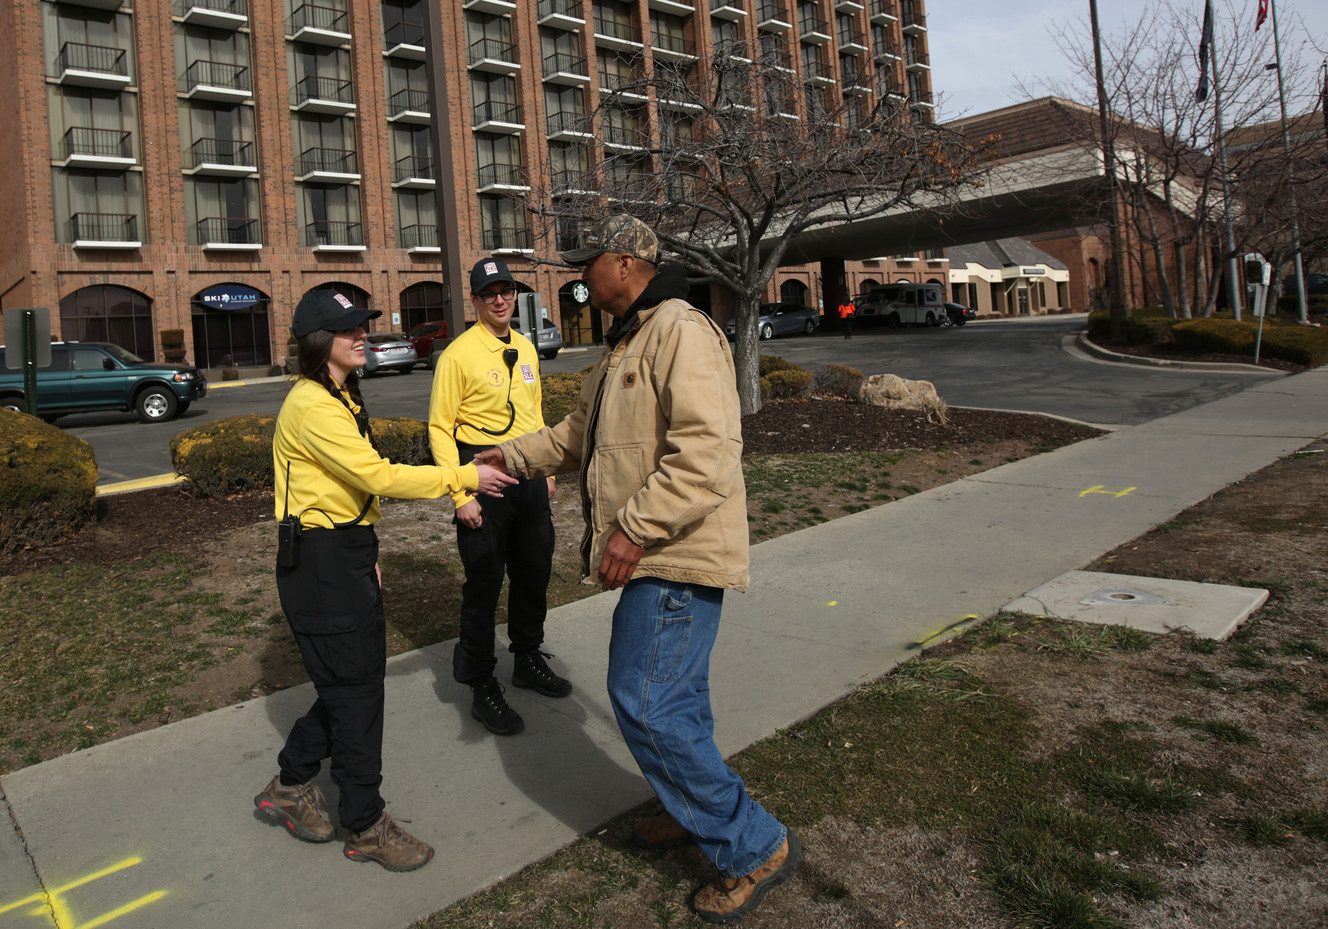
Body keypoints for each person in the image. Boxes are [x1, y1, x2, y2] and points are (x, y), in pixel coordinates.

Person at [476, 215, 800, 923]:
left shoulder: (680, 329)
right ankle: (693, 810)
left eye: (588, 261)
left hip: (676, 554)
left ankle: (753, 844)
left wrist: (633, 529)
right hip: (660, 554)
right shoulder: (627, 340)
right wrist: (510, 456)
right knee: (674, 702)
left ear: (625, 262)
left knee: (645, 700)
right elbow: (579, 435)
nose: (579, 274)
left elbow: (708, 451)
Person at [254, 289, 515, 872]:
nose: (362, 335)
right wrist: (462, 476)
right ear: (319, 341)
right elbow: (376, 474)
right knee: (356, 694)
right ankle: (366, 823)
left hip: (340, 554)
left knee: (353, 686)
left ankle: (290, 785)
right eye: (349, 329)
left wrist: (362, 546)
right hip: (320, 563)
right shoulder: (313, 405)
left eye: (361, 326)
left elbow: (348, 491)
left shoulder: (339, 393)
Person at [428, 257, 571, 737]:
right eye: (489, 293)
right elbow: (440, 428)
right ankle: (480, 683)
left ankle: (527, 657)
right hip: (480, 473)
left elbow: (535, 412)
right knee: (484, 581)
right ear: (475, 300)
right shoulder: (458, 355)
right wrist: (460, 494)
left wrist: (545, 468)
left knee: (534, 570)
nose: (500, 300)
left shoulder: (526, 348)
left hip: (526, 469)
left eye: (506, 290)